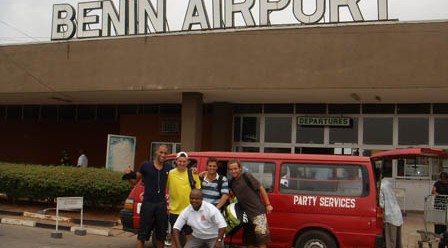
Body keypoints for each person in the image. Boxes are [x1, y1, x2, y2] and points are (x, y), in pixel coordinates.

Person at [123, 144, 171, 248]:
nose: (163, 155)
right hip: (148, 203)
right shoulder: (146, 165)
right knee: (142, 234)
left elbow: (180, 176)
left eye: (165, 153)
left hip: (161, 205)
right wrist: (128, 175)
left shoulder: (168, 167)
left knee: (161, 235)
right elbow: (135, 181)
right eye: (161, 152)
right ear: (156, 152)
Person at [227, 160, 272, 248]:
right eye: (231, 169)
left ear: (240, 168)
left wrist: (268, 204)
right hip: (246, 216)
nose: (233, 171)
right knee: (249, 241)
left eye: (235, 168)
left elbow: (261, 188)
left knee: (262, 241)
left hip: (258, 213)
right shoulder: (231, 182)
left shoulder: (247, 176)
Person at [167, 151, 201, 248]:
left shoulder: (192, 173)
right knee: (175, 237)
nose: (182, 163)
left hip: (189, 211)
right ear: (176, 161)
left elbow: (198, 190)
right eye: (180, 161)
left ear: (187, 162)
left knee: (189, 237)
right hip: (174, 211)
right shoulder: (170, 174)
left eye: (184, 161)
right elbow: (163, 187)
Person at [380, 178, 403, 248]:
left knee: (390, 241)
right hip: (398, 214)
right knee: (398, 241)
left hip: (390, 216)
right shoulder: (387, 183)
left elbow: (381, 204)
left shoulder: (381, 187)